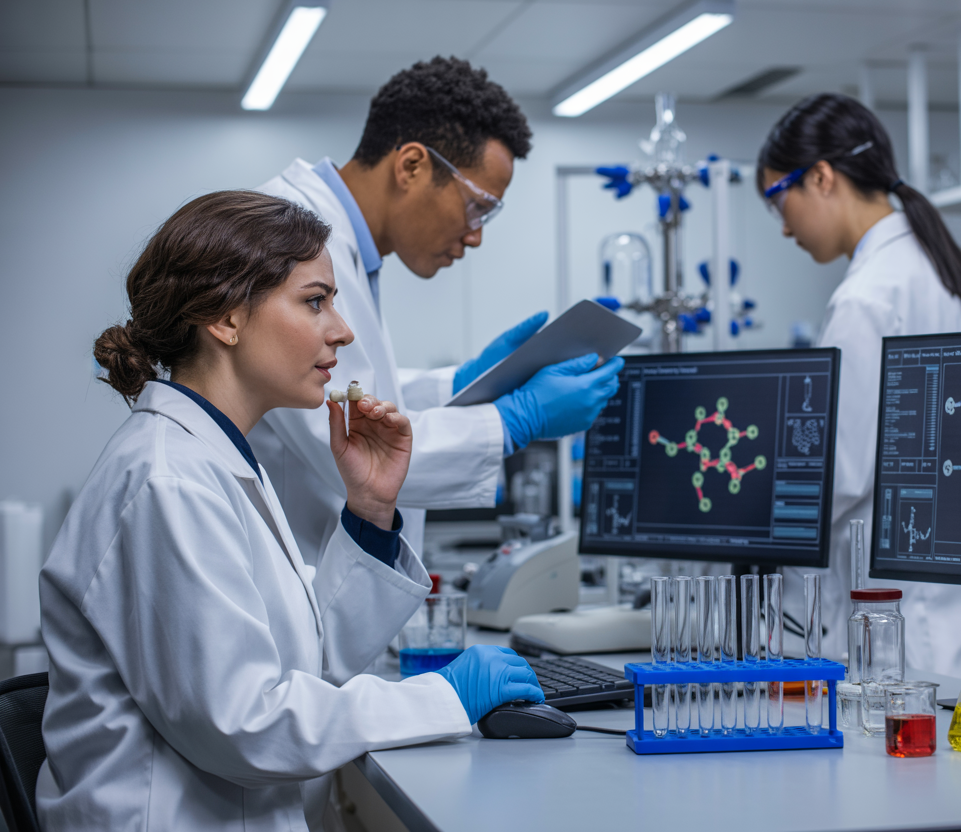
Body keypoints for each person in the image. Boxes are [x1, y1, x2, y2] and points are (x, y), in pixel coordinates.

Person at [37, 191, 544, 832]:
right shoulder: (168, 480)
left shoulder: (216, 457)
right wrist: (443, 697)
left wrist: (370, 509)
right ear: (226, 317)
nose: (343, 329)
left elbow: (301, 662)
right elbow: (244, 724)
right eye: (315, 301)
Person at [254, 56, 622, 563]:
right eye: (477, 207)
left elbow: (354, 394)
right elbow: (353, 445)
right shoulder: (288, 236)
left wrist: (462, 384)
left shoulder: (345, 249)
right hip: (296, 592)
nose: (475, 236)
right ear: (411, 166)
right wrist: (516, 420)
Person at [757, 94, 961, 685]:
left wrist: (748, 500)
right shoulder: (935, 268)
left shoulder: (869, 296)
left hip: (922, 620)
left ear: (821, 177)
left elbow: (836, 475)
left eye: (777, 200)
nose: (782, 227)